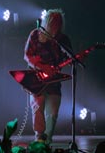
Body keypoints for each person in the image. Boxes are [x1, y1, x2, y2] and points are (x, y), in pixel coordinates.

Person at [23, 8, 72, 144]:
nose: (55, 26)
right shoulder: (35, 34)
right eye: (53, 22)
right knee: (38, 106)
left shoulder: (62, 39)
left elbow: (69, 57)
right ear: (47, 22)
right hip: (37, 79)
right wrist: (42, 67)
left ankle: (47, 141)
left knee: (53, 113)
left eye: (58, 23)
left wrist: (78, 58)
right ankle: (38, 139)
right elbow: (27, 55)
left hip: (54, 81)